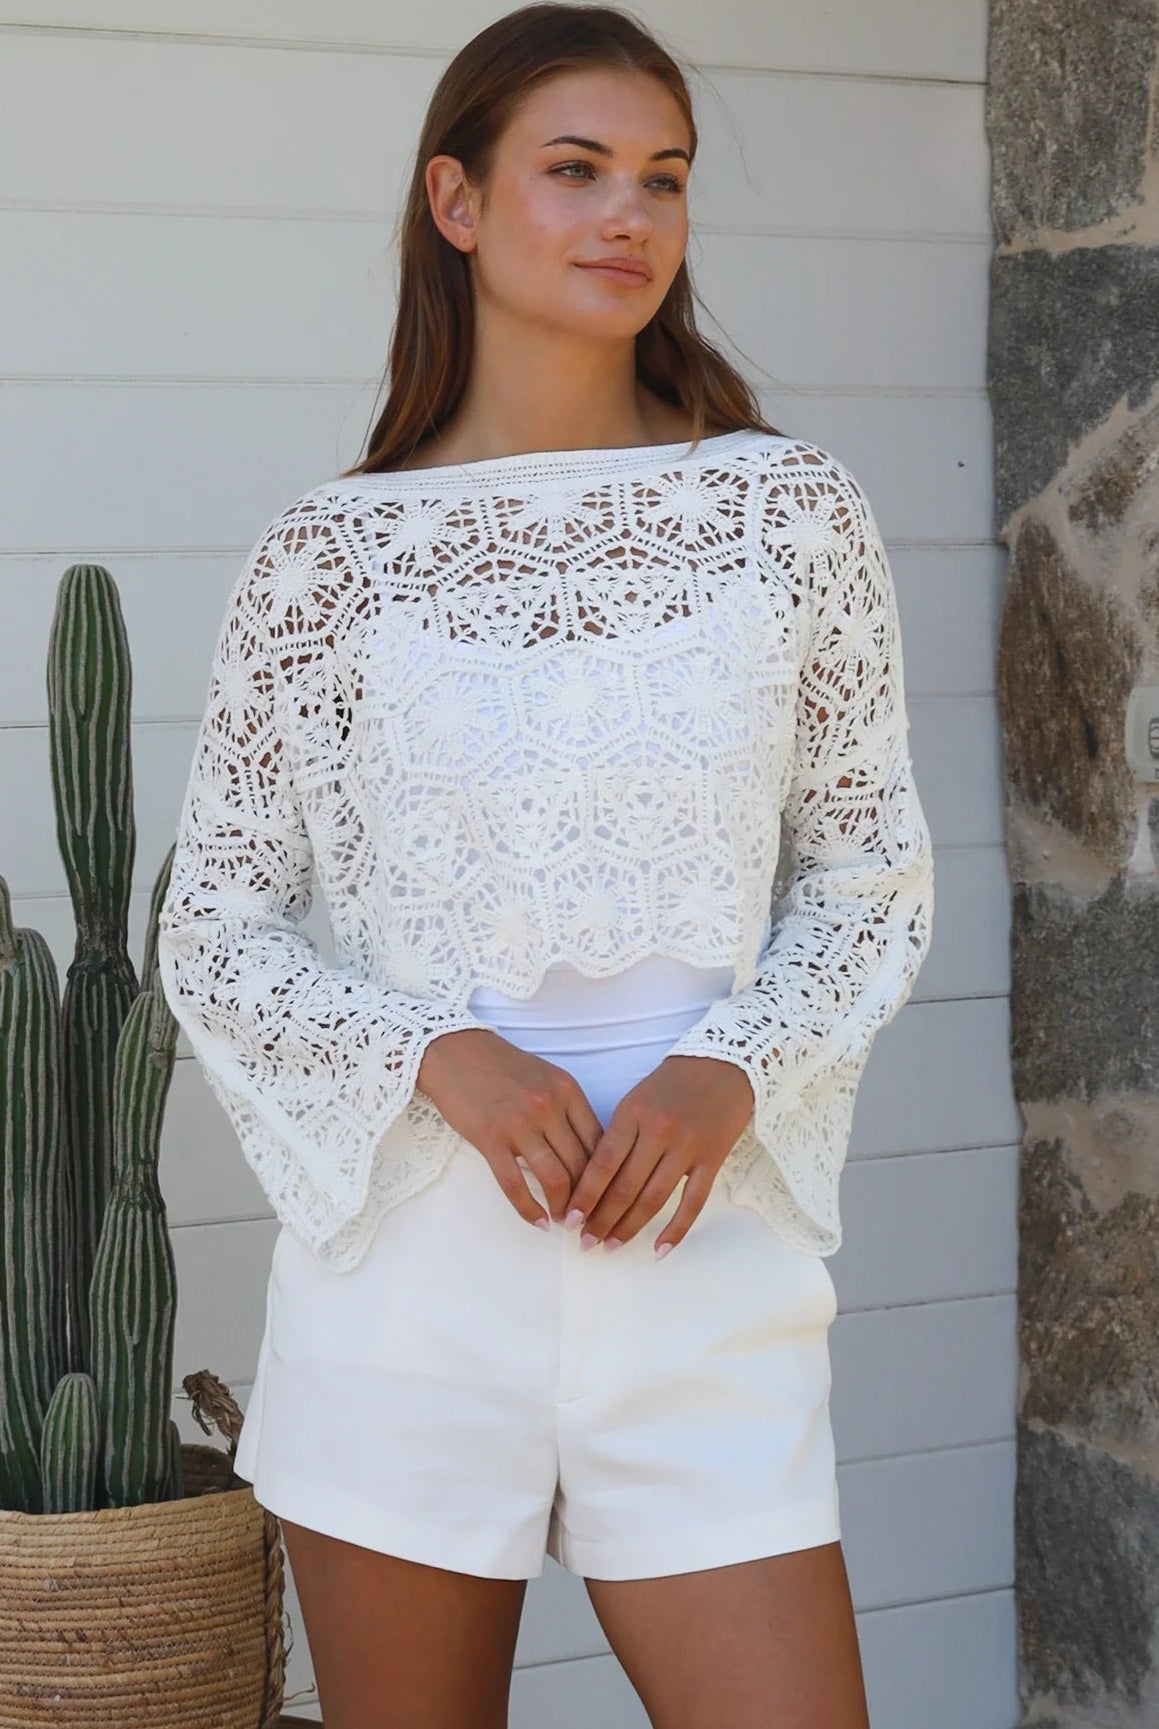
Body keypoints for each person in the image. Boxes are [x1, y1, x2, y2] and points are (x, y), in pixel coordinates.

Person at [156, 4, 935, 1725]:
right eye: (574, 171)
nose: (629, 217)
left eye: (663, 178)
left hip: (699, 1254)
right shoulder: (329, 556)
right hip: (413, 1278)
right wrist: (437, 1050)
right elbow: (212, 924)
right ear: (457, 202)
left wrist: (734, 1067)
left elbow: (871, 870)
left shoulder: (784, 515)